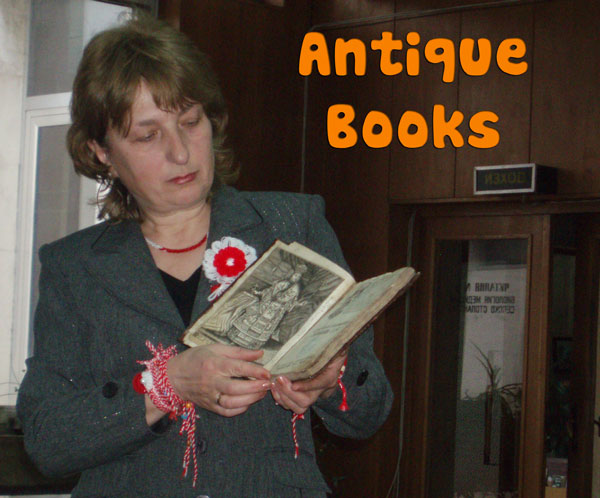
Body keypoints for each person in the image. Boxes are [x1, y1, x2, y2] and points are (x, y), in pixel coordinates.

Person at [16, 13, 393, 498]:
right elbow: (48, 439)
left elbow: (370, 410)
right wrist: (165, 385)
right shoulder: (75, 267)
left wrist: (329, 380)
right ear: (102, 151)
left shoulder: (291, 224)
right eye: (147, 135)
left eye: (190, 122)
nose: (181, 153)